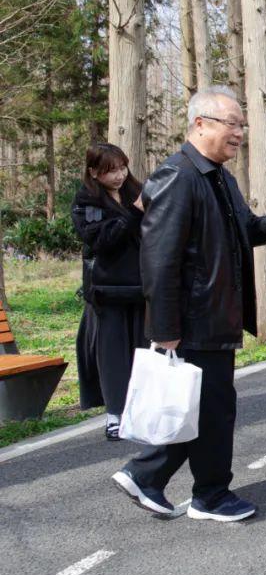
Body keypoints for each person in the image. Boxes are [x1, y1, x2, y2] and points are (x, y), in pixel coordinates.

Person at [112, 85, 266, 521]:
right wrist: (165, 329)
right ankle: (204, 494)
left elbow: (249, 231)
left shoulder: (219, 176)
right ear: (201, 124)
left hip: (217, 316)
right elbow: (159, 260)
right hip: (193, 320)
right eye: (231, 124)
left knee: (205, 408)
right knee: (212, 410)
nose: (239, 133)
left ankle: (156, 478)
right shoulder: (177, 176)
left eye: (241, 125)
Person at [72, 144, 147, 441]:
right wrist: (134, 214)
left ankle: (140, 412)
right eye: (109, 171)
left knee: (143, 353)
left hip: (141, 287)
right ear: (94, 172)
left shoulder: (136, 191)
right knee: (112, 355)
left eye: (121, 168)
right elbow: (101, 240)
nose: (118, 176)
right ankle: (114, 415)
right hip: (107, 291)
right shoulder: (86, 201)